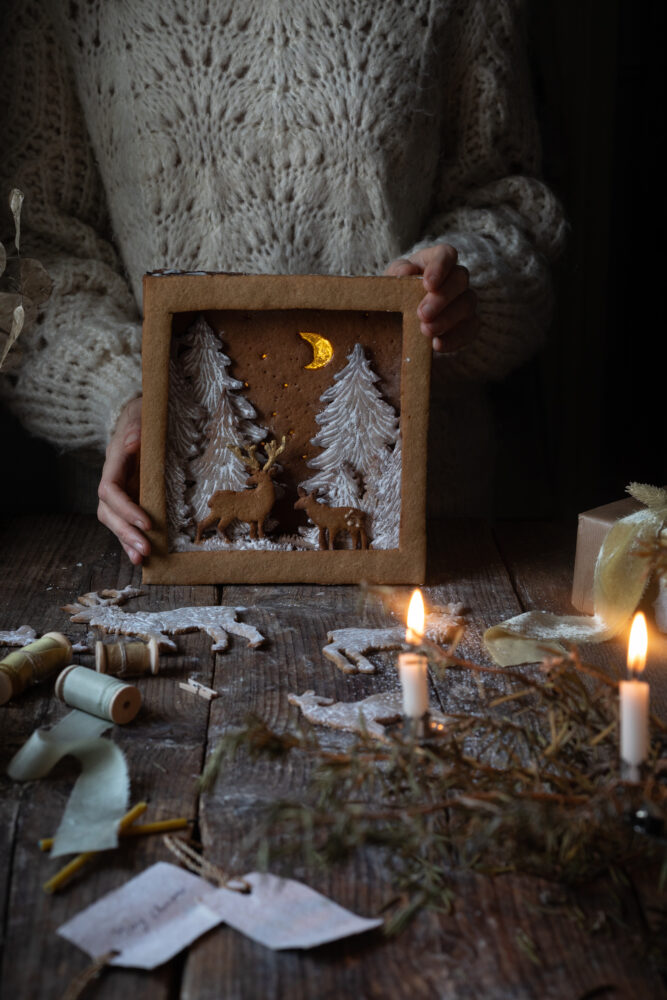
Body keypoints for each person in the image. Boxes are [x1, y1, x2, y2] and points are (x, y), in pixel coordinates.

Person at [0, 0, 565, 564]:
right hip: (146, 536)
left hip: (426, 533)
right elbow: (37, 248)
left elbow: (503, 200)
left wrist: (464, 288)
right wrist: (124, 393)